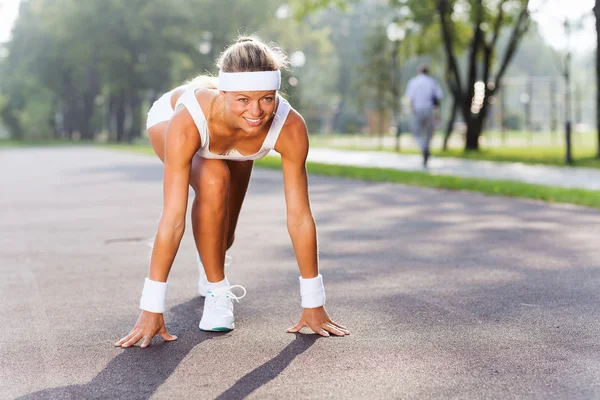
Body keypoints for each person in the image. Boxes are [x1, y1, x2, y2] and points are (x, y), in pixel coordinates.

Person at [115, 36, 350, 348]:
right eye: (243, 99)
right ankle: (217, 289)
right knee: (214, 179)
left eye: (267, 98)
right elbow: (172, 218)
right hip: (174, 120)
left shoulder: (289, 126)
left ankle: (210, 263)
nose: (256, 112)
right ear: (223, 92)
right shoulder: (187, 121)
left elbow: (300, 217)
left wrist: (314, 302)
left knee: (224, 237)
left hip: (235, 140)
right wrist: (151, 306)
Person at [404, 64, 443, 168]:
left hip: (417, 109)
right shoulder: (432, 82)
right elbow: (437, 99)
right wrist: (437, 114)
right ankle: (426, 147)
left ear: (419, 72)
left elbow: (410, 99)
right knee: (429, 133)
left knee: (416, 132)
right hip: (429, 109)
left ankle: (423, 148)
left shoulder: (413, 82)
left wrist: (412, 111)